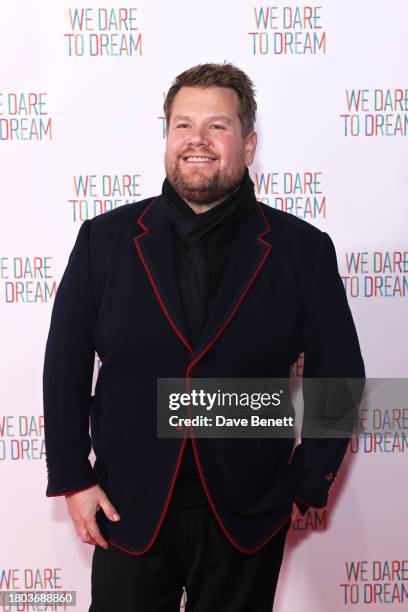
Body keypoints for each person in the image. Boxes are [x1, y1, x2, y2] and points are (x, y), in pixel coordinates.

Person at [43, 62, 365, 611]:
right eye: (183, 125)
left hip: (248, 513)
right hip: (128, 505)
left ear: (249, 142)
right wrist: (73, 478)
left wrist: (309, 482)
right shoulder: (105, 240)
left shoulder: (301, 249)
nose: (197, 140)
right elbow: (65, 366)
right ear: (166, 138)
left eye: (217, 126)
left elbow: (340, 373)